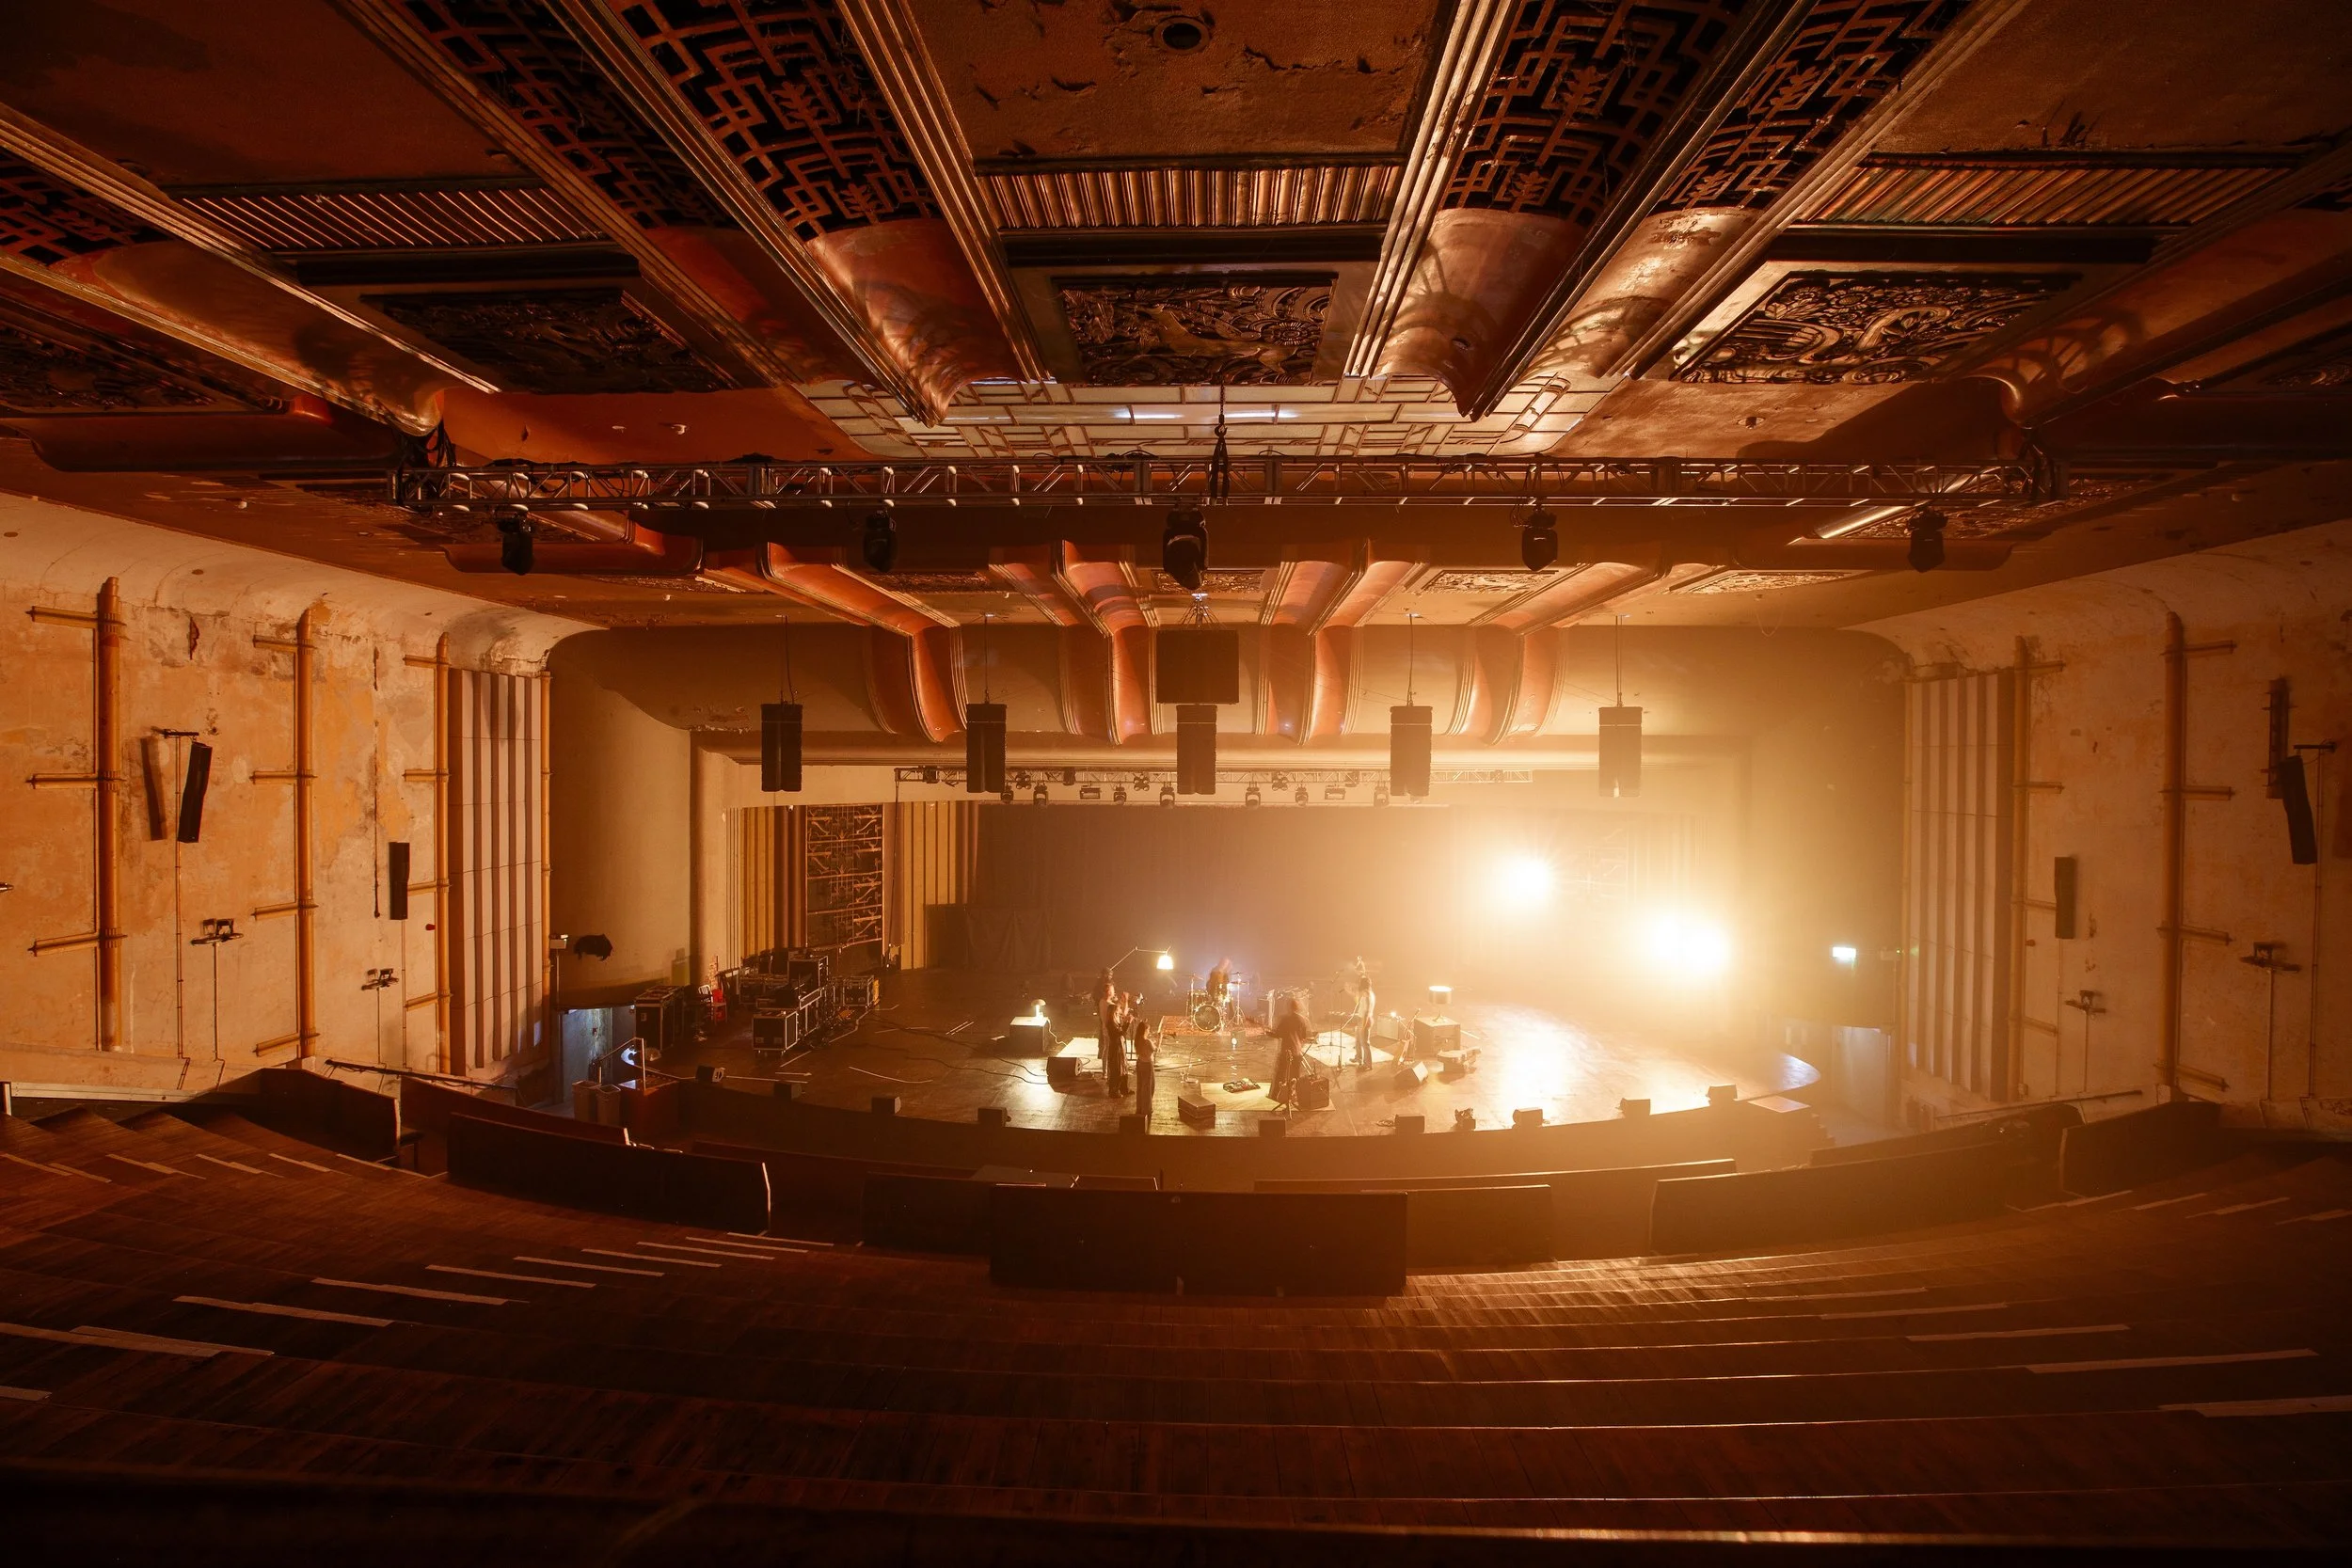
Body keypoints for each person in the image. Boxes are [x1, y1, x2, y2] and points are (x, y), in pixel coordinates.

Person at [1268, 992, 1310, 1107]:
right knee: (1295, 1076)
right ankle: (1295, 1096)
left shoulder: (1285, 1019)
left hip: (1286, 1052)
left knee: (1281, 1075)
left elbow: (1278, 1034)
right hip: (1297, 1052)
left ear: (1289, 1007)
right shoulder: (1302, 1020)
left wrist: (1269, 1033)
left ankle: (1276, 1096)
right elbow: (1304, 1037)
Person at [1346, 961, 1376, 1069]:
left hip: (1365, 1021)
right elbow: (1358, 1003)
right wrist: (1350, 992)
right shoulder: (1365, 994)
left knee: (1365, 1043)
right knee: (1358, 1041)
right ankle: (1358, 1058)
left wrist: (1363, 1026)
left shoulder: (1368, 996)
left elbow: (1367, 1012)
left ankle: (1368, 1064)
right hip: (1361, 1020)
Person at [1131, 1012, 1156, 1119]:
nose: (1149, 1031)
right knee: (1149, 1086)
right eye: (1148, 1029)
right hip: (1147, 1064)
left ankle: (1140, 1108)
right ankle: (1147, 1109)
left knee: (1141, 1086)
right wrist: (1159, 1040)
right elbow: (1155, 1050)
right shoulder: (1147, 1041)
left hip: (1140, 1063)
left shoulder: (1137, 1040)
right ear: (1145, 1030)